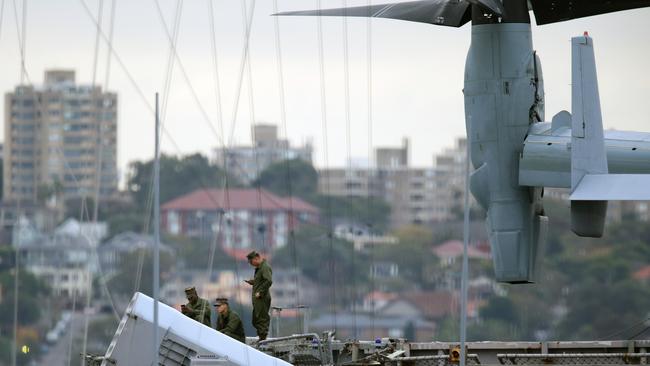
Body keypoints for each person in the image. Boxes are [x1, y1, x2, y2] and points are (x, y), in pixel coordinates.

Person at [245, 250, 272, 341]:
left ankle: (263, 339)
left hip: (262, 297)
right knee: (256, 319)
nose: (251, 264)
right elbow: (262, 280)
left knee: (262, 318)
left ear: (256, 258)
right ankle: (261, 337)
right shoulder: (260, 268)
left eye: (251, 262)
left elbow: (268, 281)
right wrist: (253, 282)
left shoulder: (264, 267)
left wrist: (260, 292)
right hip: (258, 298)